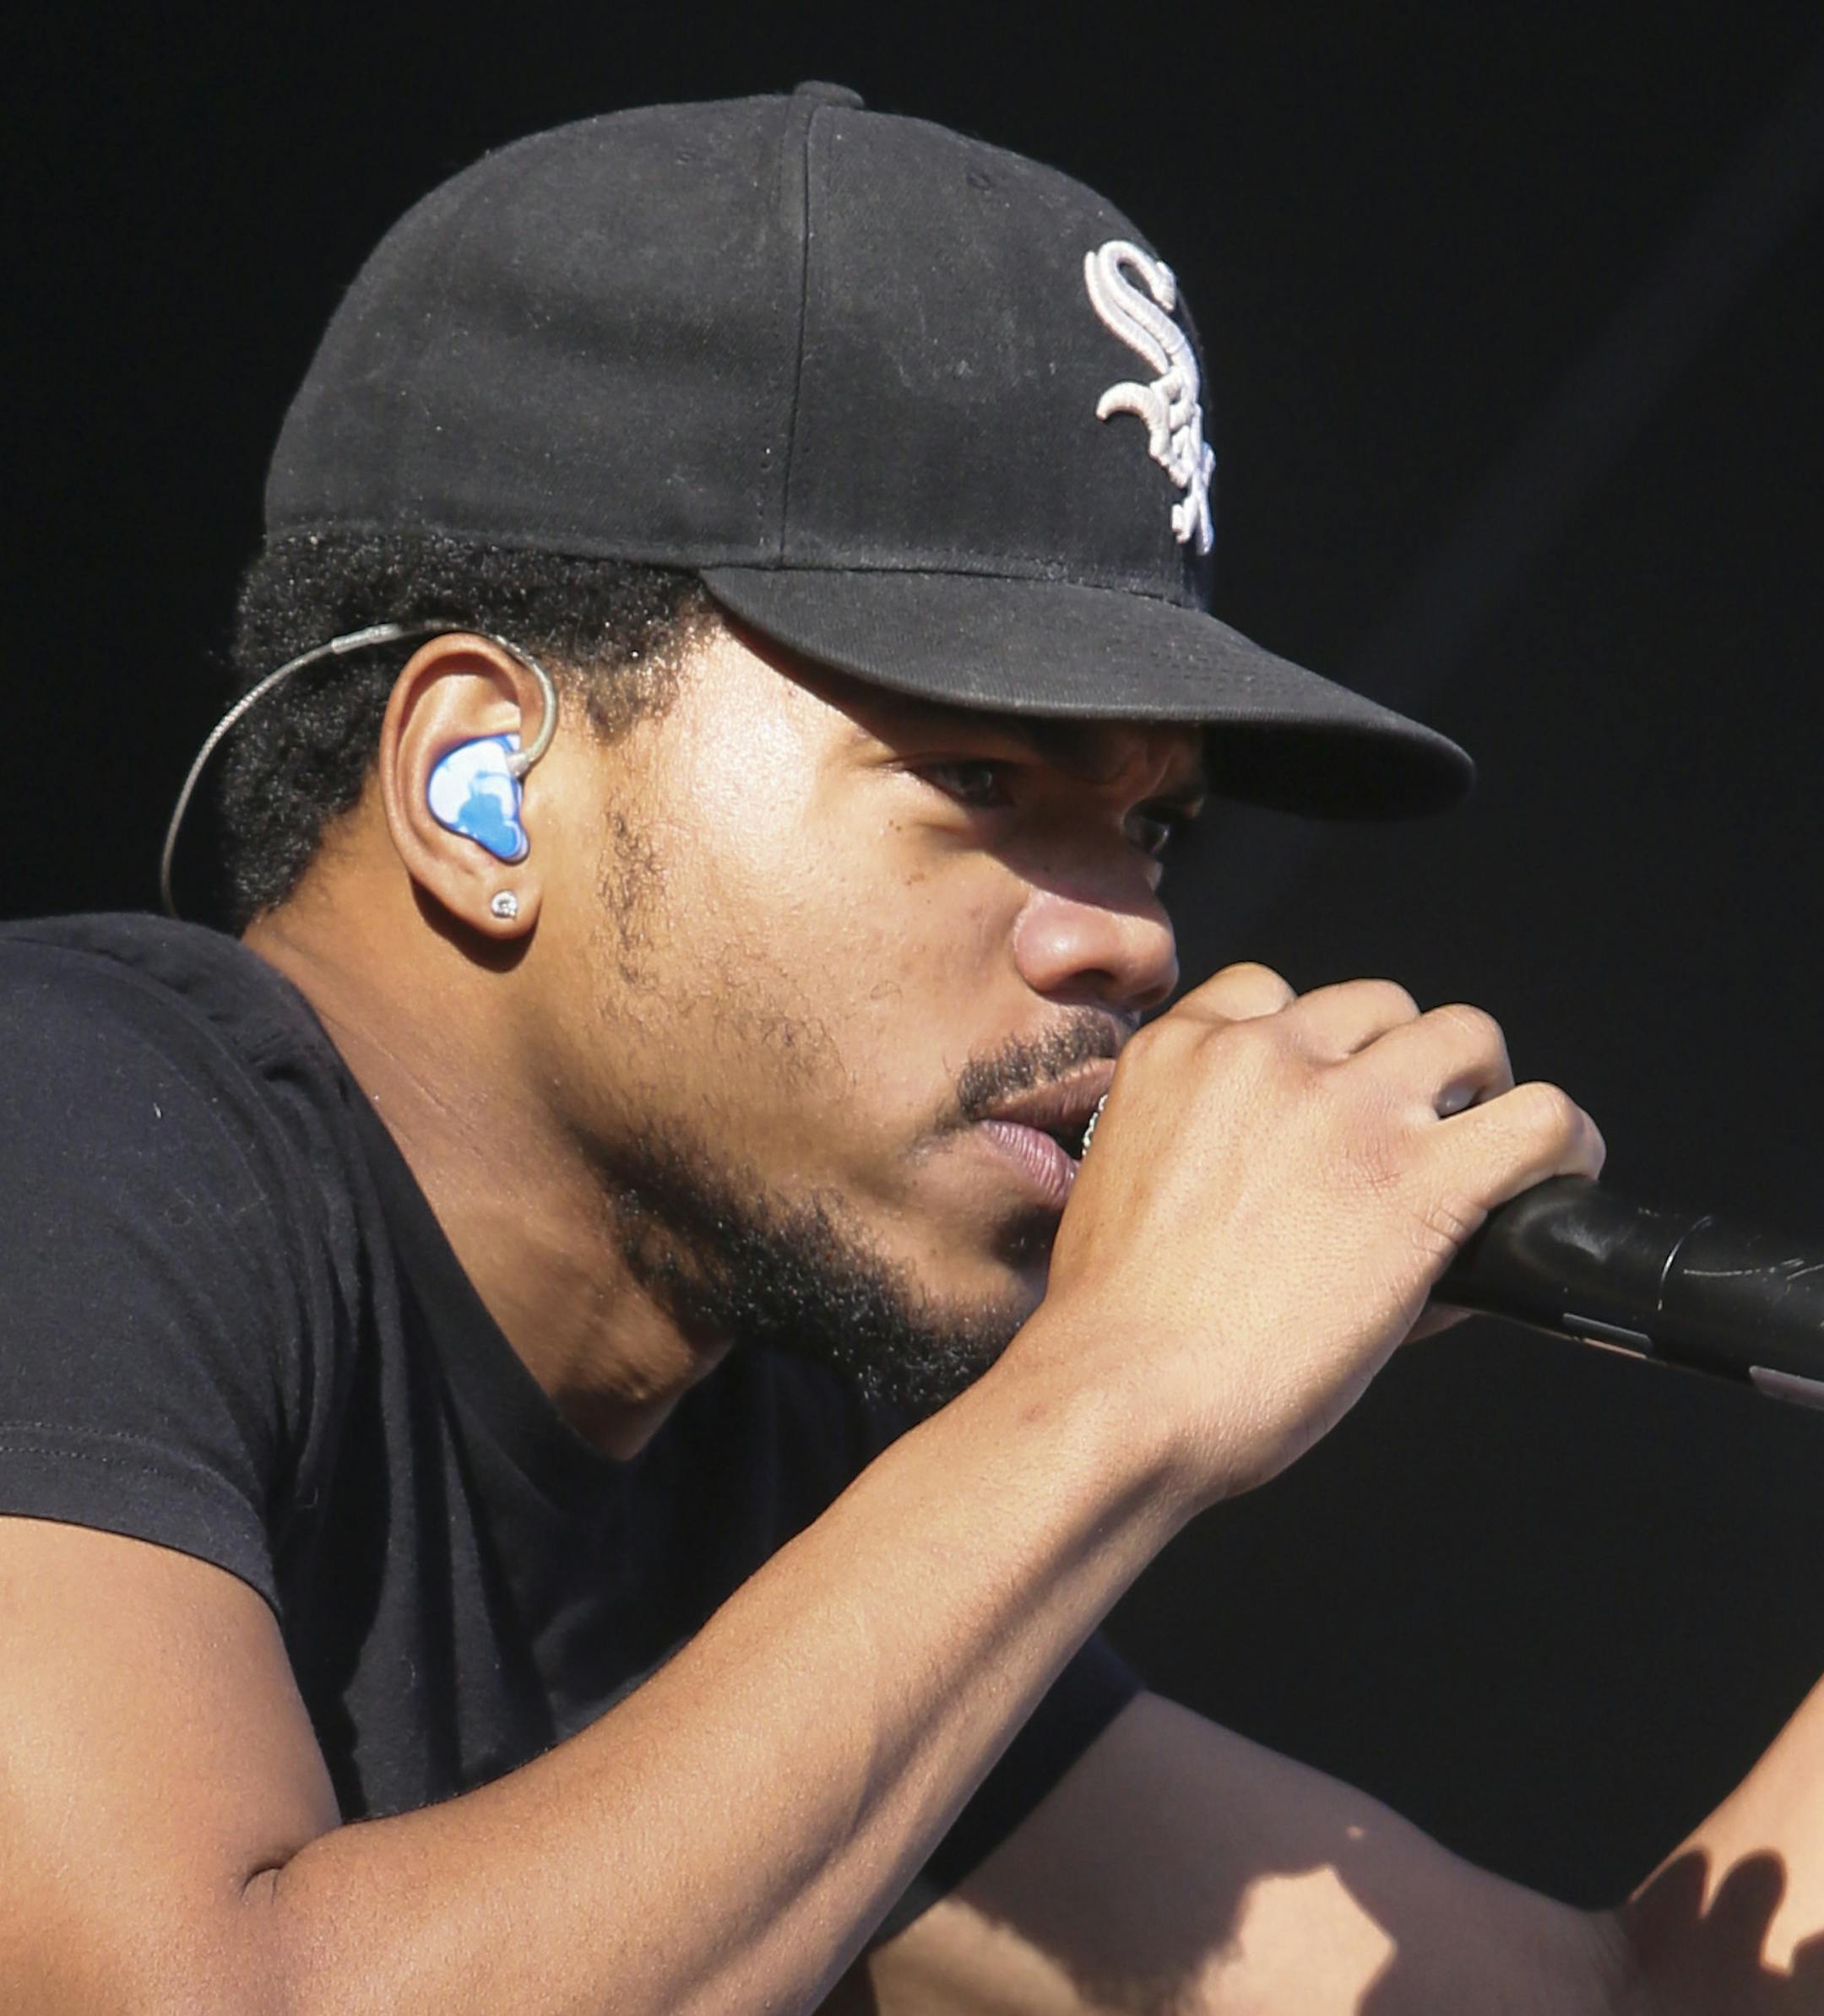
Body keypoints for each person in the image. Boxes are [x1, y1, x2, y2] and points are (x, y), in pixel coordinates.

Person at [0, 83, 1818, 2015]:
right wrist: (1120, 1396)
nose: (1128, 931)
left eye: (1153, 826)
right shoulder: (70, 1111)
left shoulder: (753, 1479)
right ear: (483, 780)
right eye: (975, 773)